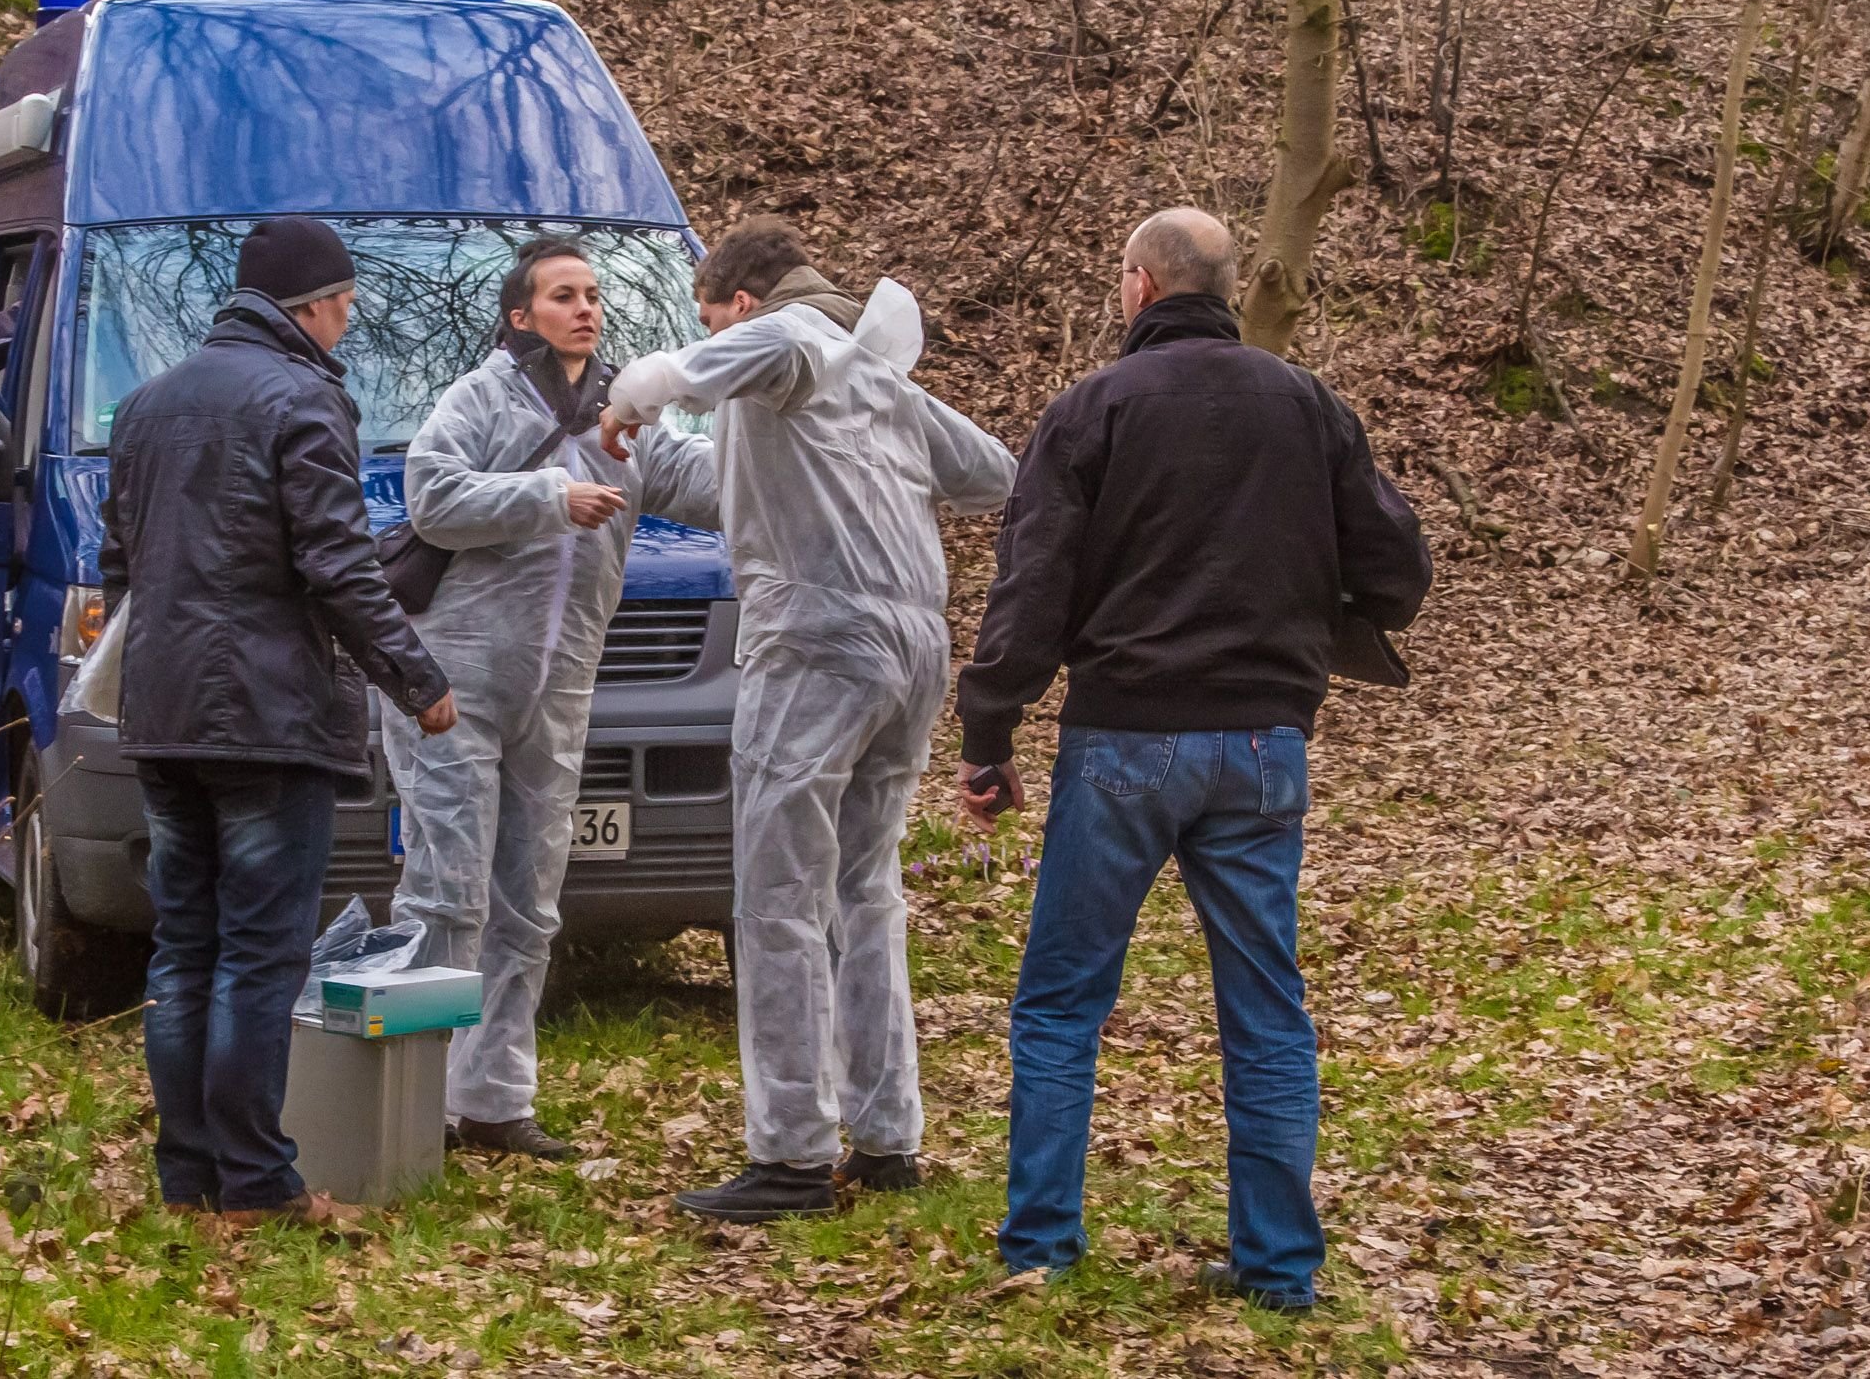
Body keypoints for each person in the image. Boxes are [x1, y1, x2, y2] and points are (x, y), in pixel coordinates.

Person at [954, 208, 1433, 1310]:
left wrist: (990, 732)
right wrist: (1312, 610)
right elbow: (1398, 570)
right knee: (1265, 1010)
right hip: (1265, 744)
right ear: (1224, 289)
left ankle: (1040, 1247)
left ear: (1139, 286)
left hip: (1122, 736)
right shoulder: (1307, 405)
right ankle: (1280, 1269)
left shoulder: (1093, 409)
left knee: (1061, 1002)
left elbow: (1033, 584)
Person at [600, 216, 1016, 1222]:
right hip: (910, 653)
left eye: (713, 320)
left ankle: (789, 1153)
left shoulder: (788, 341)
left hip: (815, 646)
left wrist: (639, 389)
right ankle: (887, 1136)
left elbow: (724, 364)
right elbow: (995, 473)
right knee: (864, 893)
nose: (718, 341)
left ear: (741, 304)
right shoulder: (875, 379)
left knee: (778, 895)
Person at [101, 216, 458, 1230]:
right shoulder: (304, 398)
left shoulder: (145, 405)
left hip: (161, 714)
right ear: (317, 305)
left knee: (184, 948)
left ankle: (188, 1177)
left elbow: (120, 564)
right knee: (260, 954)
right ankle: (257, 1182)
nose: (347, 324)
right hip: (266, 714)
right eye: (346, 306)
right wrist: (417, 679)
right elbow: (337, 564)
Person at [383, 236, 718, 1161]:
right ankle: (414, 1103)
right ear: (521, 315)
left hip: (560, 688)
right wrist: (548, 497)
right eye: (564, 295)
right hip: (456, 683)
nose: (586, 309)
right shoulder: (481, 396)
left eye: (593, 295)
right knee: (447, 895)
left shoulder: (623, 418)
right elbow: (432, 497)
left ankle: (493, 1100)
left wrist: (789, 449)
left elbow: (705, 485)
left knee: (529, 902)